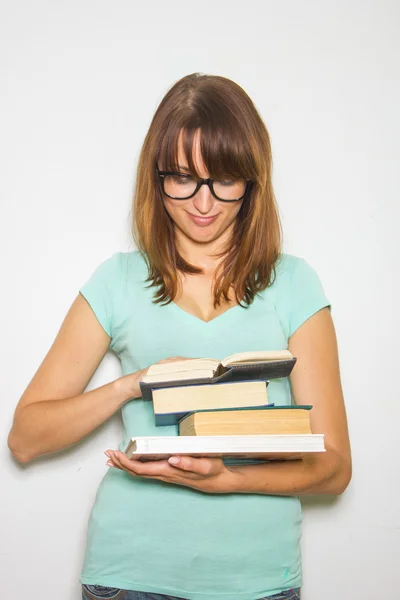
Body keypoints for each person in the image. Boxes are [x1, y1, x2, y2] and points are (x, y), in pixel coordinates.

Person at [8, 73, 351, 600]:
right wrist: (133, 384)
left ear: (252, 181)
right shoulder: (118, 280)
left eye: (224, 180)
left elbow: (333, 468)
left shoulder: (295, 284)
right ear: (157, 175)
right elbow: (26, 438)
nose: (203, 203)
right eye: (183, 178)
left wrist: (227, 479)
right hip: (129, 576)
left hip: (257, 580)